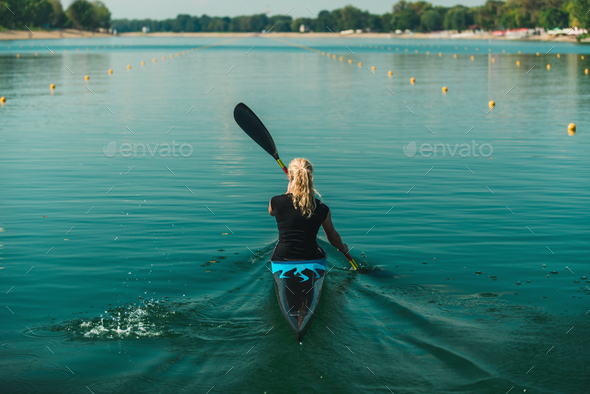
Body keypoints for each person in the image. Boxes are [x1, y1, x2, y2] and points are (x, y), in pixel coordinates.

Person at [269, 158, 348, 263]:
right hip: (312, 257)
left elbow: (272, 213)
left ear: (290, 178)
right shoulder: (322, 208)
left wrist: (288, 191)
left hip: (283, 257)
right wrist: (342, 248)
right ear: (310, 177)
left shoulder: (275, 202)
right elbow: (333, 237)